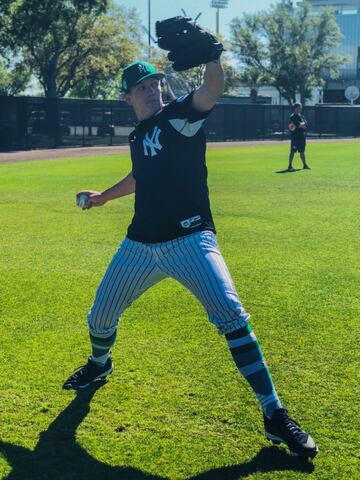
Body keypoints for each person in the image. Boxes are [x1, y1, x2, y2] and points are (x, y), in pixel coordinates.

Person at [63, 59, 318, 458]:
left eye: (155, 83)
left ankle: (274, 413)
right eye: (142, 87)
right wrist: (102, 197)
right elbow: (138, 176)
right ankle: (100, 364)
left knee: (232, 316)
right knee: (99, 318)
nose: (152, 90)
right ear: (128, 97)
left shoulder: (179, 116)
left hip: (190, 240)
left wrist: (213, 60)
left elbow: (210, 91)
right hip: (140, 245)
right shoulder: (138, 136)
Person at [288, 103, 310, 171]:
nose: (301, 109)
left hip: (301, 136)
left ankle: (304, 165)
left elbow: (306, 124)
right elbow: (297, 125)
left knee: (302, 151)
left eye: (301, 107)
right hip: (295, 137)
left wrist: (302, 124)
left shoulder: (301, 116)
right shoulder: (293, 116)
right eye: (299, 107)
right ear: (296, 108)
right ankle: (290, 166)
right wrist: (301, 125)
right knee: (292, 152)